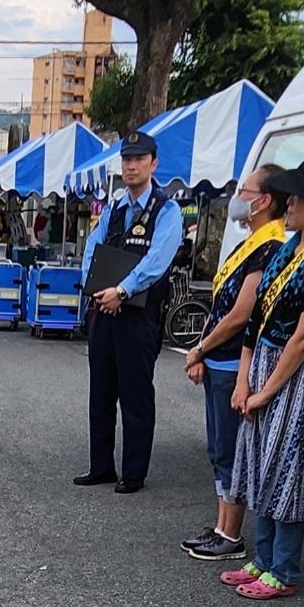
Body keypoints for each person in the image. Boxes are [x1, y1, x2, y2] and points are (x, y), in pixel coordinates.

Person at [219, 149, 304, 600]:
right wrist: (245, 379)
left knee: (289, 468)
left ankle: (284, 568)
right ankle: (262, 558)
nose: (290, 203)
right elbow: (257, 319)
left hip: (298, 376)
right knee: (259, 463)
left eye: (299, 196)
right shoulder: (287, 249)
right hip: (264, 364)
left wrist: (266, 390)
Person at [179, 165, 291, 561]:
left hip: (232, 362)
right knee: (218, 448)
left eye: (245, 191)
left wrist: (201, 349)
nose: (238, 198)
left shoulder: (270, 247)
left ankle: (231, 532)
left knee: (230, 449)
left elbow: (241, 314)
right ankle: (221, 526)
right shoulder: (249, 243)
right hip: (218, 358)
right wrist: (202, 350)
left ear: (264, 201)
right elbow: (219, 306)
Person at [74, 130, 185, 494]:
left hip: (138, 314)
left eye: (139, 159)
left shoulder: (166, 211)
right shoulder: (115, 208)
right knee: (101, 392)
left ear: (154, 164)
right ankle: (101, 466)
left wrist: (122, 290)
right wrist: (93, 286)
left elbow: (157, 262)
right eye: (126, 159)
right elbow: (93, 247)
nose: (131, 166)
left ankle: (134, 472)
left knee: (136, 394)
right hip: (104, 310)